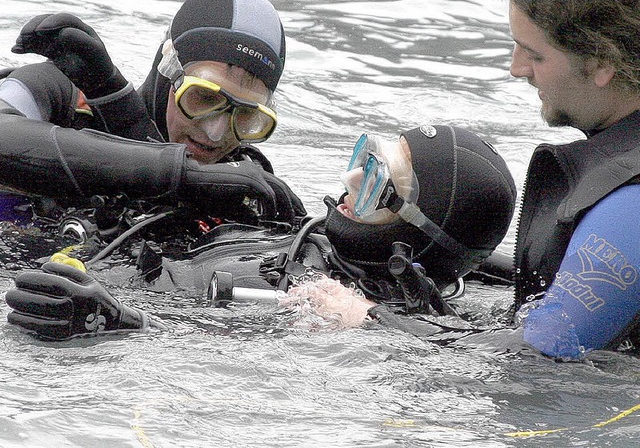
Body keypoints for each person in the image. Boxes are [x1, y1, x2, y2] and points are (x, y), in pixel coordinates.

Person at [5, 124, 518, 340]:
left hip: (85, 294)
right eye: (366, 158)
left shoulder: (335, 302)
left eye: (376, 182)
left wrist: (114, 322)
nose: (350, 179)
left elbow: (205, 341)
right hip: (87, 246)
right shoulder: (302, 227)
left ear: (420, 235)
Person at [0, 0, 305, 233]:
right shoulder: (61, 97)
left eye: (247, 116)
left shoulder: (245, 192)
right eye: (204, 97)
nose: (216, 134)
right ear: (167, 70)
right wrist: (182, 175)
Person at [500, 0, 640, 359]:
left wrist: (368, 320)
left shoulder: (631, 206)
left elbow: (538, 359)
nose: (516, 68)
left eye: (535, 54)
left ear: (601, 62)